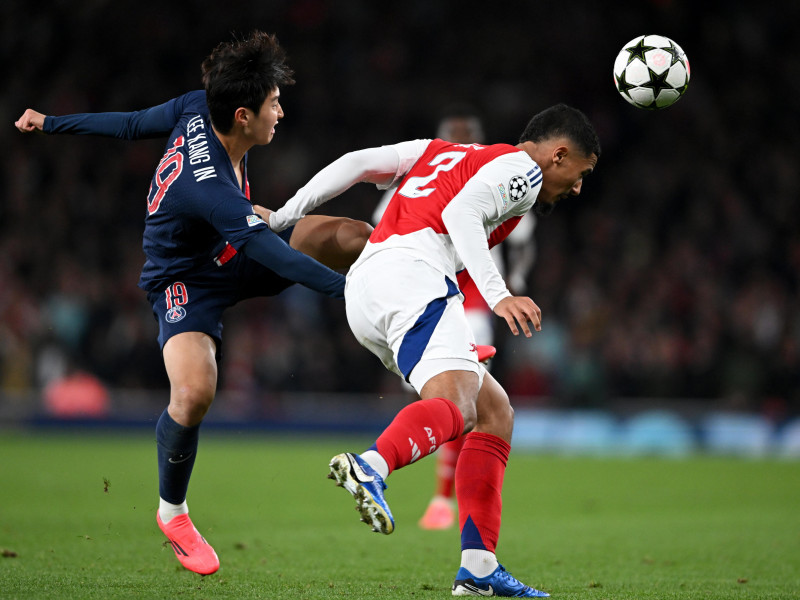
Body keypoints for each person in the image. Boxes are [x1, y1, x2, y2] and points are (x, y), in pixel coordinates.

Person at [15, 31, 372, 576]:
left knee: (352, 235)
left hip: (230, 243)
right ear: (243, 115)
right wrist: (346, 291)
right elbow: (272, 255)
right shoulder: (211, 191)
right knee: (195, 392)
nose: (281, 110)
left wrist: (52, 122)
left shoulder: (196, 106)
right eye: (273, 102)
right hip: (184, 278)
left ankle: (417, 318)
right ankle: (173, 513)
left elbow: (132, 124)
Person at [266, 103, 600, 596]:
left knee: (494, 411)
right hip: (413, 278)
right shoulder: (523, 171)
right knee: (460, 408)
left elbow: (356, 163)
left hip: (369, 285)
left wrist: (284, 215)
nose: (577, 187)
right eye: (580, 174)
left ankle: (479, 568)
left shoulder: (439, 151)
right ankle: (371, 466)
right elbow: (459, 213)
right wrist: (499, 294)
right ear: (559, 154)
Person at [373, 107, 538, 531]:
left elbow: (521, 240)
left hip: (475, 304)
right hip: (420, 296)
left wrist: (511, 280)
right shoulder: (422, 178)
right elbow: (380, 229)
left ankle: (441, 498)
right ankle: (381, 465)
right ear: (444, 136)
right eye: (456, 133)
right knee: (447, 400)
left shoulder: (504, 176)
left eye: (470, 133)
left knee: (470, 399)